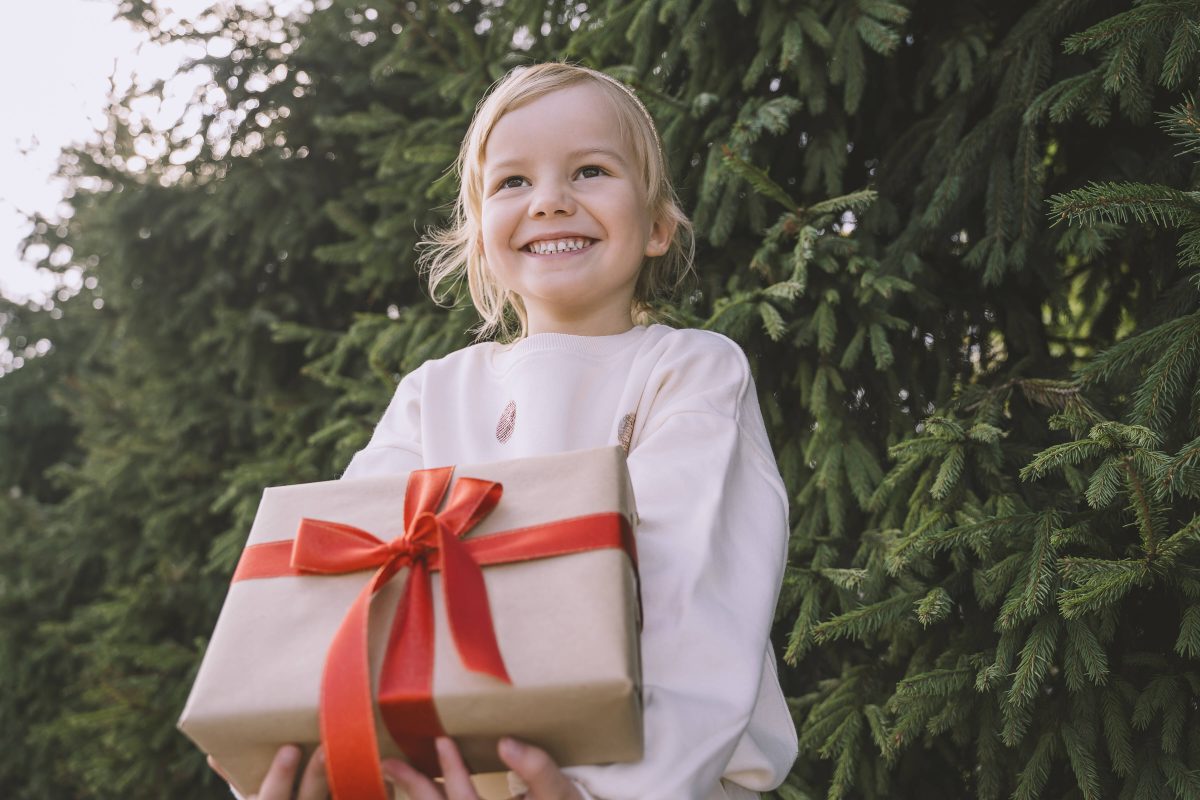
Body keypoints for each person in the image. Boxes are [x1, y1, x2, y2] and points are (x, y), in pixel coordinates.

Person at [240, 61, 797, 800]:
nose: (550, 201)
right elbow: (348, 582)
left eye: (591, 170)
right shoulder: (433, 393)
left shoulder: (687, 370)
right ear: (479, 242)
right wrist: (308, 754)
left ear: (658, 225)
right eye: (512, 183)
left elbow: (693, 598)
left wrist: (604, 795)